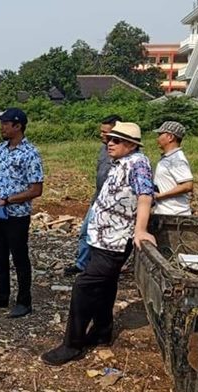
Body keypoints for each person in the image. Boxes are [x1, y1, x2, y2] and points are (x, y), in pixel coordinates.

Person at [41, 121, 156, 365]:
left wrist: (141, 230)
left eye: (116, 140)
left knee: (84, 286)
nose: (109, 143)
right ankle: (103, 331)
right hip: (102, 237)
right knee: (104, 286)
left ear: (130, 144)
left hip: (115, 240)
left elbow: (145, 195)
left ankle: (72, 345)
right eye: (108, 139)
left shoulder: (138, 163)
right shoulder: (120, 163)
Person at [0, 108, 44, 318]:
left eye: (5, 124)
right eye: (1, 123)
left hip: (16, 216)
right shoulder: (0, 149)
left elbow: (36, 189)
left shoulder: (30, 153)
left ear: (18, 126)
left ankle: (24, 302)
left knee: (20, 259)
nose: (1, 127)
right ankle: (0, 296)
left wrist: (7, 200)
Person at [64, 115, 122, 276]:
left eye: (105, 132)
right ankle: (82, 265)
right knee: (85, 232)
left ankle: (98, 267)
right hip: (97, 199)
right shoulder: (103, 149)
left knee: (103, 236)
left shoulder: (126, 155)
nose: (102, 135)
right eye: (101, 131)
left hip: (112, 204)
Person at [152, 121, 193, 215]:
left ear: (170, 137)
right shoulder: (170, 157)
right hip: (166, 213)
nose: (157, 138)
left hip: (175, 215)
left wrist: (160, 196)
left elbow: (187, 185)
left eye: (160, 135)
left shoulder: (176, 159)